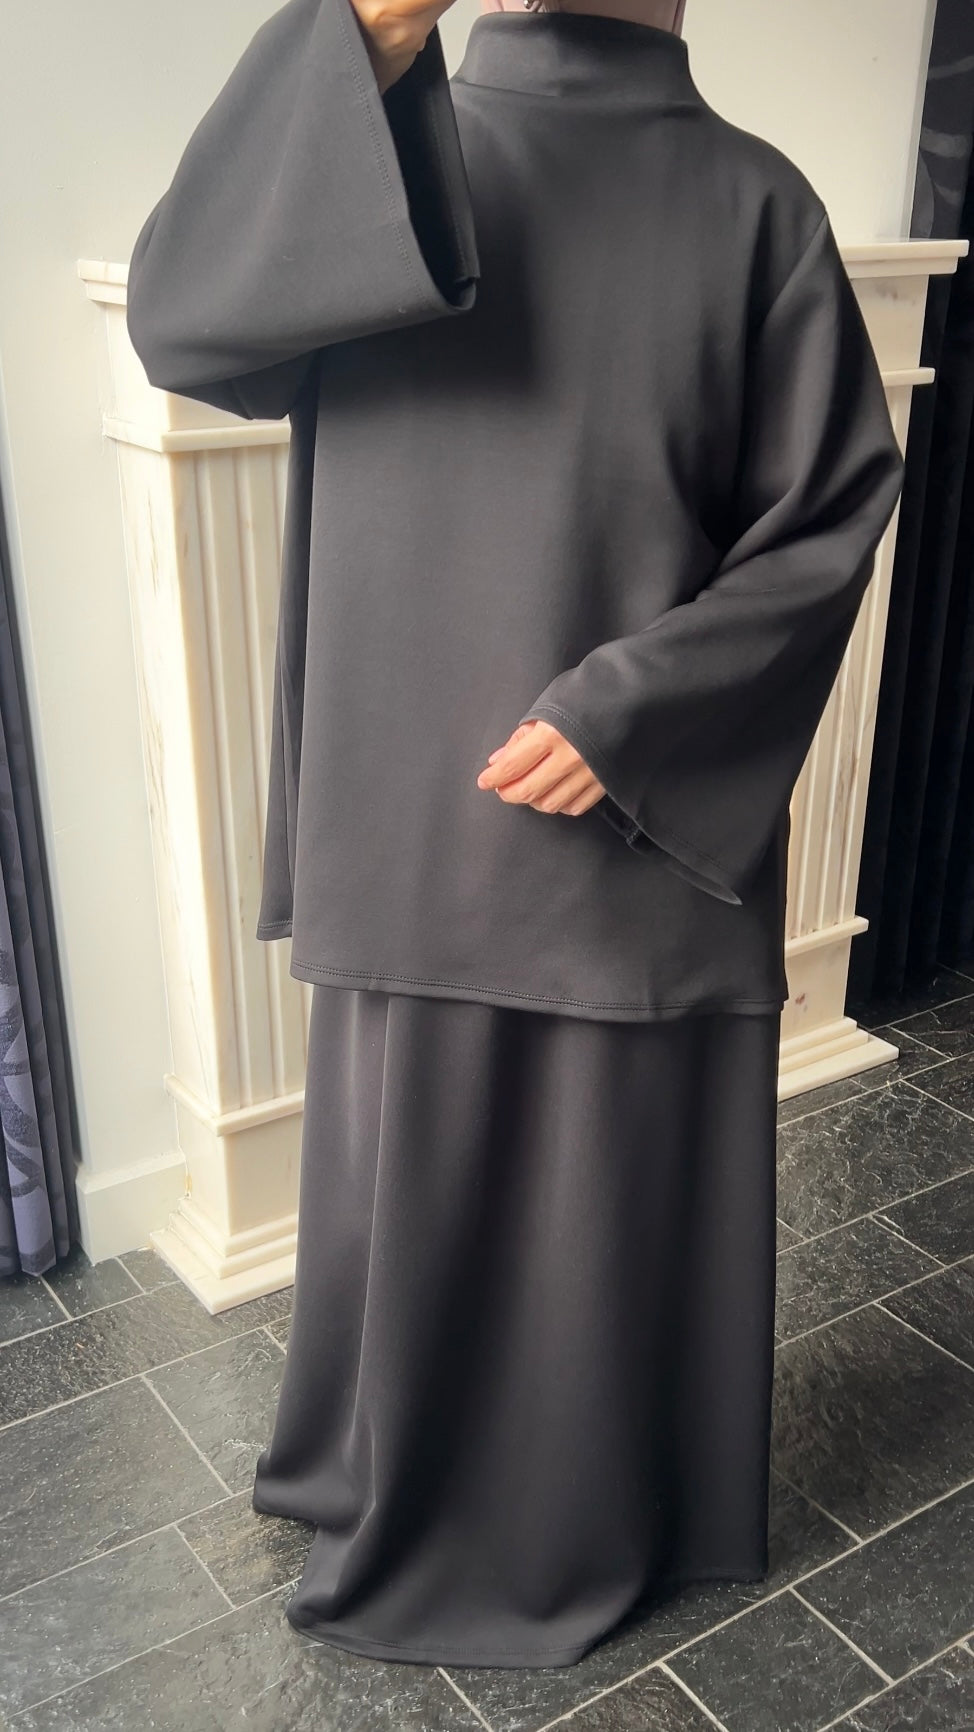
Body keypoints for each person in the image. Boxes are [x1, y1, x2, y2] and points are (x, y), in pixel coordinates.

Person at [124, 0, 905, 1670]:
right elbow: (184, 329)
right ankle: (388, 1469)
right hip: (413, 794)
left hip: (620, 815)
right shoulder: (391, 147)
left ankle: (601, 1504)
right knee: (409, 1163)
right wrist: (358, 38)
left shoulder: (752, 201)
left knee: (601, 1177)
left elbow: (826, 514)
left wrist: (626, 714)